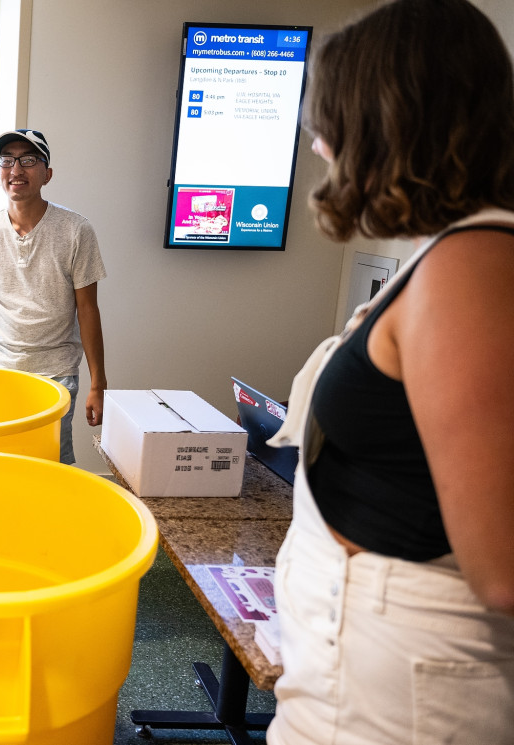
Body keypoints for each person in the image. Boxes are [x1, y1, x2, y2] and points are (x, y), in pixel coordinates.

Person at [265, 2, 514, 743]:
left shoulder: (469, 265)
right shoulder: (455, 254)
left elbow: (500, 564)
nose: (318, 145)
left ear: (388, 122)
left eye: (331, 121)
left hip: (399, 695)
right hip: (361, 674)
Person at [0, 129, 107, 465]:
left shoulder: (76, 230)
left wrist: (99, 384)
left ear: (47, 173)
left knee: (50, 464)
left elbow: (88, 309)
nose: (16, 169)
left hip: (56, 373)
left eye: (28, 160)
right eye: (7, 161)